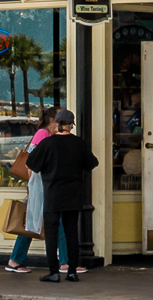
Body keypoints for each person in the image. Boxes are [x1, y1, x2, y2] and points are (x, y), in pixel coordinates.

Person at [26, 108, 99, 282]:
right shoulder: (78, 143)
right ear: (71, 125)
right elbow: (92, 163)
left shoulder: (48, 143)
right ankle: (72, 271)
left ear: (56, 123)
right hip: (73, 194)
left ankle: (54, 272)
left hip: (53, 194)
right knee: (71, 232)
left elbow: (32, 163)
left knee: (51, 234)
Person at [5, 104, 56, 274]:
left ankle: (16, 259)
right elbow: (32, 159)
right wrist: (32, 185)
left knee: (33, 222)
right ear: (52, 120)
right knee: (30, 222)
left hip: (42, 184)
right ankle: (15, 259)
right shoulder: (43, 133)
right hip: (39, 185)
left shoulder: (49, 134)